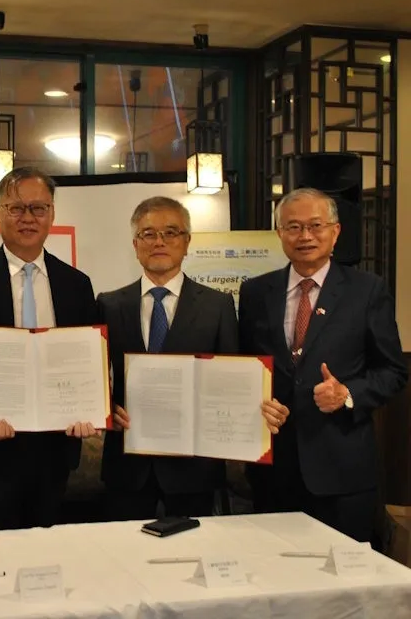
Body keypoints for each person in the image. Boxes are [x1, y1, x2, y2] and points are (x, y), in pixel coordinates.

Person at [239, 187, 407, 542]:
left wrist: (348, 394)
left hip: (342, 470)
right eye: (294, 227)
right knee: (272, 568)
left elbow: (393, 371)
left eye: (315, 225)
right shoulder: (255, 292)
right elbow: (245, 367)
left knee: (343, 571)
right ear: (280, 233)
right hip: (274, 470)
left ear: (336, 231)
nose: (305, 236)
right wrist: (255, 401)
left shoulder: (367, 290)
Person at [0, 167, 98, 531]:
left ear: (52, 214)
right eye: (16, 208)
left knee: (47, 552)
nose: (28, 218)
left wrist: (87, 409)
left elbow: (86, 364)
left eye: (38, 208)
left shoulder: (77, 285)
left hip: (54, 449)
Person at [98, 196, 238, 520]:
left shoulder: (217, 306)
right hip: (128, 464)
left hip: (194, 465)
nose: (159, 241)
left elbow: (230, 380)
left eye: (171, 232)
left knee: (193, 549)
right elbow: (95, 377)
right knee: (122, 549)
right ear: (135, 244)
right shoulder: (109, 304)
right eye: (148, 233)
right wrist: (104, 409)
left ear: (187, 242)